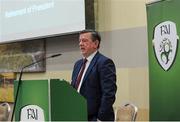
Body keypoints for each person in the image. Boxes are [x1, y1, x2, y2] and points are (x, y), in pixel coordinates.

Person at [71, 29, 117, 121]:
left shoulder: (104, 63)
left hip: (95, 118)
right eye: (79, 41)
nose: (80, 44)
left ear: (95, 44)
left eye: (84, 41)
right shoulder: (78, 64)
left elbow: (109, 94)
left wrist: (99, 118)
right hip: (78, 115)